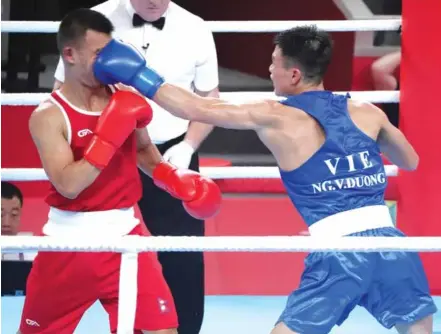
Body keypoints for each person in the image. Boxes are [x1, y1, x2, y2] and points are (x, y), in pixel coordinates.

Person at [92, 24, 438, 334]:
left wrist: (138, 74)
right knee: (419, 329)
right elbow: (409, 161)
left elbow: (194, 109)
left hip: (340, 253)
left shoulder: (273, 115)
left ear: (295, 74)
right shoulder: (367, 111)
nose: (270, 69)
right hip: (391, 244)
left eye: (275, 62)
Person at [18, 8, 220, 334]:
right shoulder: (49, 116)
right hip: (69, 244)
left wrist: (174, 179)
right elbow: (68, 184)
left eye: (109, 50)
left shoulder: (125, 97)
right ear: (69, 54)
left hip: (126, 235)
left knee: (163, 329)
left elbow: (143, 151)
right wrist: (108, 136)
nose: (108, 61)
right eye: (98, 53)